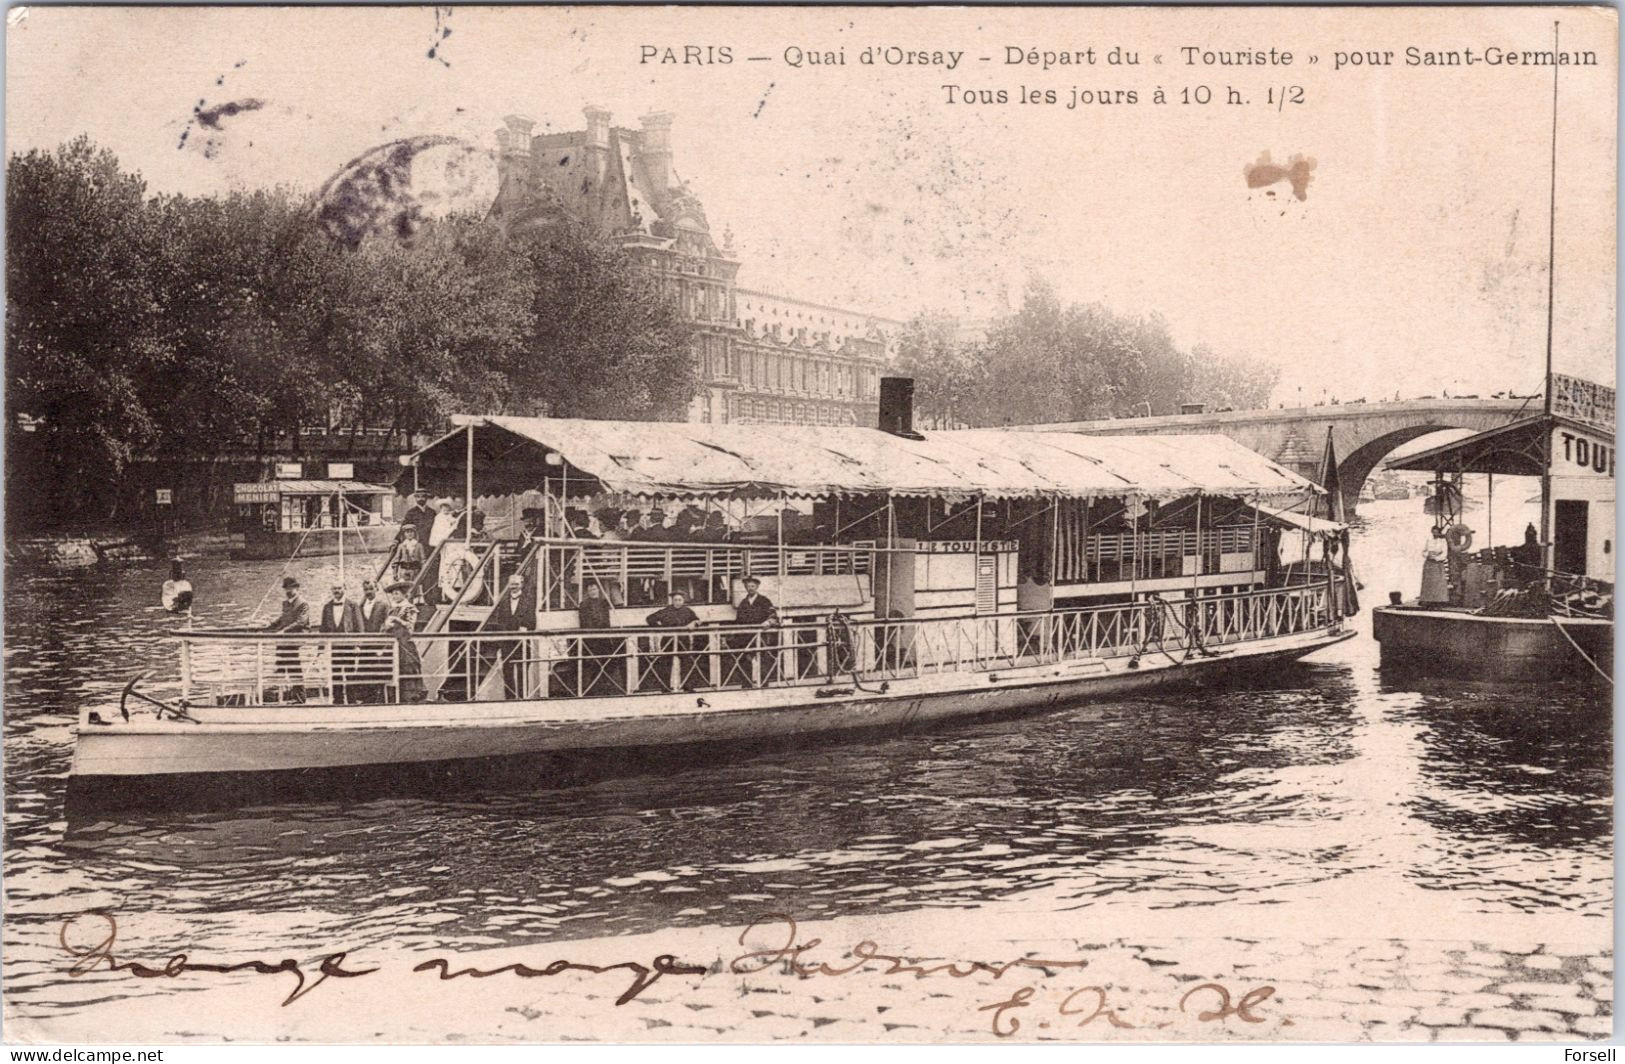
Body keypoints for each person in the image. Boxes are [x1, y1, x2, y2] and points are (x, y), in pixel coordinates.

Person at [483, 575, 532, 699]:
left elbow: (532, 620)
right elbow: (500, 622)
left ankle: (522, 698)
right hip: (507, 642)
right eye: (511, 584)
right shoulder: (504, 602)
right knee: (507, 671)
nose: (513, 587)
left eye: (516, 584)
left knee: (522, 670)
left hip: (522, 642)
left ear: (522, 584)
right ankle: (509, 698)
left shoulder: (529, 600)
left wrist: (525, 627)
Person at [644, 591, 702, 692]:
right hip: (668, 640)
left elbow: (697, 620)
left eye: (680, 600)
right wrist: (661, 628)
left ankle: (687, 686)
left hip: (683, 639)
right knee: (666, 663)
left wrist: (694, 623)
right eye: (676, 600)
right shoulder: (666, 611)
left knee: (687, 663)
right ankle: (665, 687)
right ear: (672, 601)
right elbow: (650, 619)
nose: (678, 602)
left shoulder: (687, 611)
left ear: (683, 601)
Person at [266, 576, 311, 703]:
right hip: (283, 641)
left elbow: (301, 622)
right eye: (286, 588)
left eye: (291, 588)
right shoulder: (285, 603)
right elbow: (283, 618)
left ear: (297, 588)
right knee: (280, 664)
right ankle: (276, 692)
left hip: (294, 641)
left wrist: (284, 630)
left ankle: (300, 698)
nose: (288, 591)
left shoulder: (303, 603)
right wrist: (271, 625)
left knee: (294, 668)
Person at [730, 576, 779, 686]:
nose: (750, 588)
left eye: (752, 586)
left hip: (761, 635)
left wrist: (768, 622)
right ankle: (746, 684)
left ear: (757, 587)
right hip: (745, 636)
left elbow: (773, 615)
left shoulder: (764, 600)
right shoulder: (743, 602)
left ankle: (764, 683)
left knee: (763, 659)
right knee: (744, 660)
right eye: (748, 586)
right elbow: (738, 620)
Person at [318, 583, 362, 703]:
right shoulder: (327, 607)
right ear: (331, 590)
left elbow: (359, 626)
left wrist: (358, 645)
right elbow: (323, 628)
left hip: (349, 646)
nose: (337, 591)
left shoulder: (353, 605)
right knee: (335, 673)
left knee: (350, 673)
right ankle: (338, 700)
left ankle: (352, 700)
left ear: (344, 589)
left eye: (339, 588)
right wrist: (320, 649)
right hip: (333, 646)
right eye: (334, 588)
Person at [384, 581, 426, 702]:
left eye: (396, 593)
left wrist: (398, 620)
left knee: (408, 667)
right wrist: (387, 625)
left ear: (403, 594)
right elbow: (385, 627)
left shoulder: (410, 608)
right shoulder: (392, 609)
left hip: (405, 643)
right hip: (392, 644)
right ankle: (393, 697)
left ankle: (410, 697)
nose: (394, 596)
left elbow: (410, 626)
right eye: (393, 594)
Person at [576, 582, 620, 695]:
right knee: (593, 663)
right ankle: (592, 688)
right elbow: (584, 622)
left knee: (608, 661)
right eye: (591, 590)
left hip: (603, 637)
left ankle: (606, 685)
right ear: (588, 592)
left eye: (594, 589)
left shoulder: (604, 603)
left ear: (598, 590)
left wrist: (606, 632)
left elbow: (607, 619)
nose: (593, 592)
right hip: (591, 639)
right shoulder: (584, 604)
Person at [351, 579, 391, 703]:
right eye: (366, 589)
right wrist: (358, 643)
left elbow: (386, 624)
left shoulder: (383, 605)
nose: (368, 592)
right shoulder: (360, 606)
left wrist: (382, 644)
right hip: (365, 645)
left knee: (377, 670)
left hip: (377, 644)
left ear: (376, 589)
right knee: (364, 671)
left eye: (371, 589)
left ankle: (377, 699)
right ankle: (366, 699)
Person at [1420, 526, 1450, 604]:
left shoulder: (1443, 541)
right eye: (1433, 532)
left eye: (1436, 532)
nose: (1435, 534)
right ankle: (1427, 599)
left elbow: (1445, 553)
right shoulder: (1429, 540)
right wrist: (1428, 555)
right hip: (1429, 564)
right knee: (1428, 582)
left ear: (1439, 533)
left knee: (1438, 582)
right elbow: (1424, 551)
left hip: (1438, 564)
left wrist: (1436, 557)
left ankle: (1440, 600)